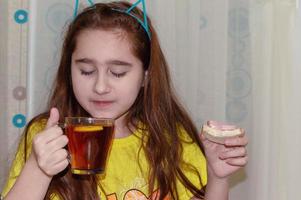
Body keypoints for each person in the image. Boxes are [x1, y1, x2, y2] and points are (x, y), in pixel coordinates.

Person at [1, 1, 248, 200]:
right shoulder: (45, 136)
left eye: (118, 73)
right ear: (69, 69)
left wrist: (218, 178)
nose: (100, 86)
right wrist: (38, 169)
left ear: (145, 77)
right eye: (86, 71)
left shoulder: (171, 138)